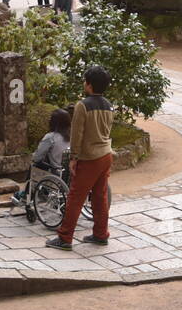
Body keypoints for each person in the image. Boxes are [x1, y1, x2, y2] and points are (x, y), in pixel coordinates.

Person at [46, 65, 114, 250]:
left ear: (89, 85)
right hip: (105, 155)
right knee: (100, 197)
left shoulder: (83, 106)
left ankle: (65, 237)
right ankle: (101, 234)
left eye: (86, 81)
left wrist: (74, 157)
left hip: (89, 157)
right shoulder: (109, 105)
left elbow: (77, 134)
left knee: (75, 197)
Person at [13, 108, 70, 206]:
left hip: (55, 174)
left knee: (35, 165)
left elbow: (37, 157)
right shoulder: (73, 136)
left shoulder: (51, 137)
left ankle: (26, 195)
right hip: (70, 175)